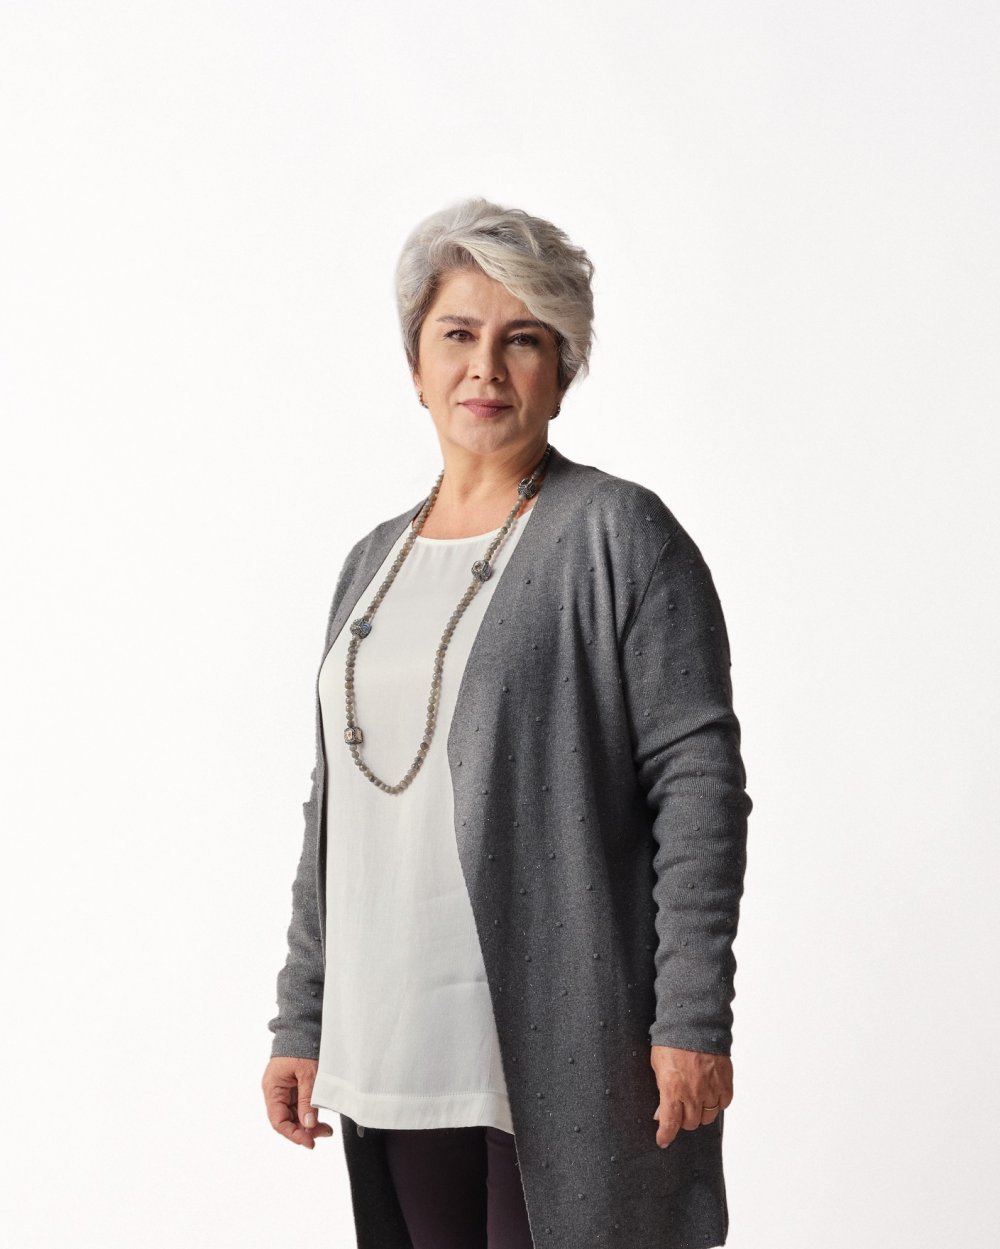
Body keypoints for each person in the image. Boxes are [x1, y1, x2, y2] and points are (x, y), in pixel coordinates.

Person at [262, 196, 753, 1249]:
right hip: (393, 1039)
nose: (484, 367)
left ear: (561, 370)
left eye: (522, 339)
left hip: (562, 1034)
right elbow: (331, 807)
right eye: (458, 334)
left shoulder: (619, 533)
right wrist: (303, 1011)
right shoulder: (371, 563)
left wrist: (690, 1013)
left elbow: (697, 784)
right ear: (415, 364)